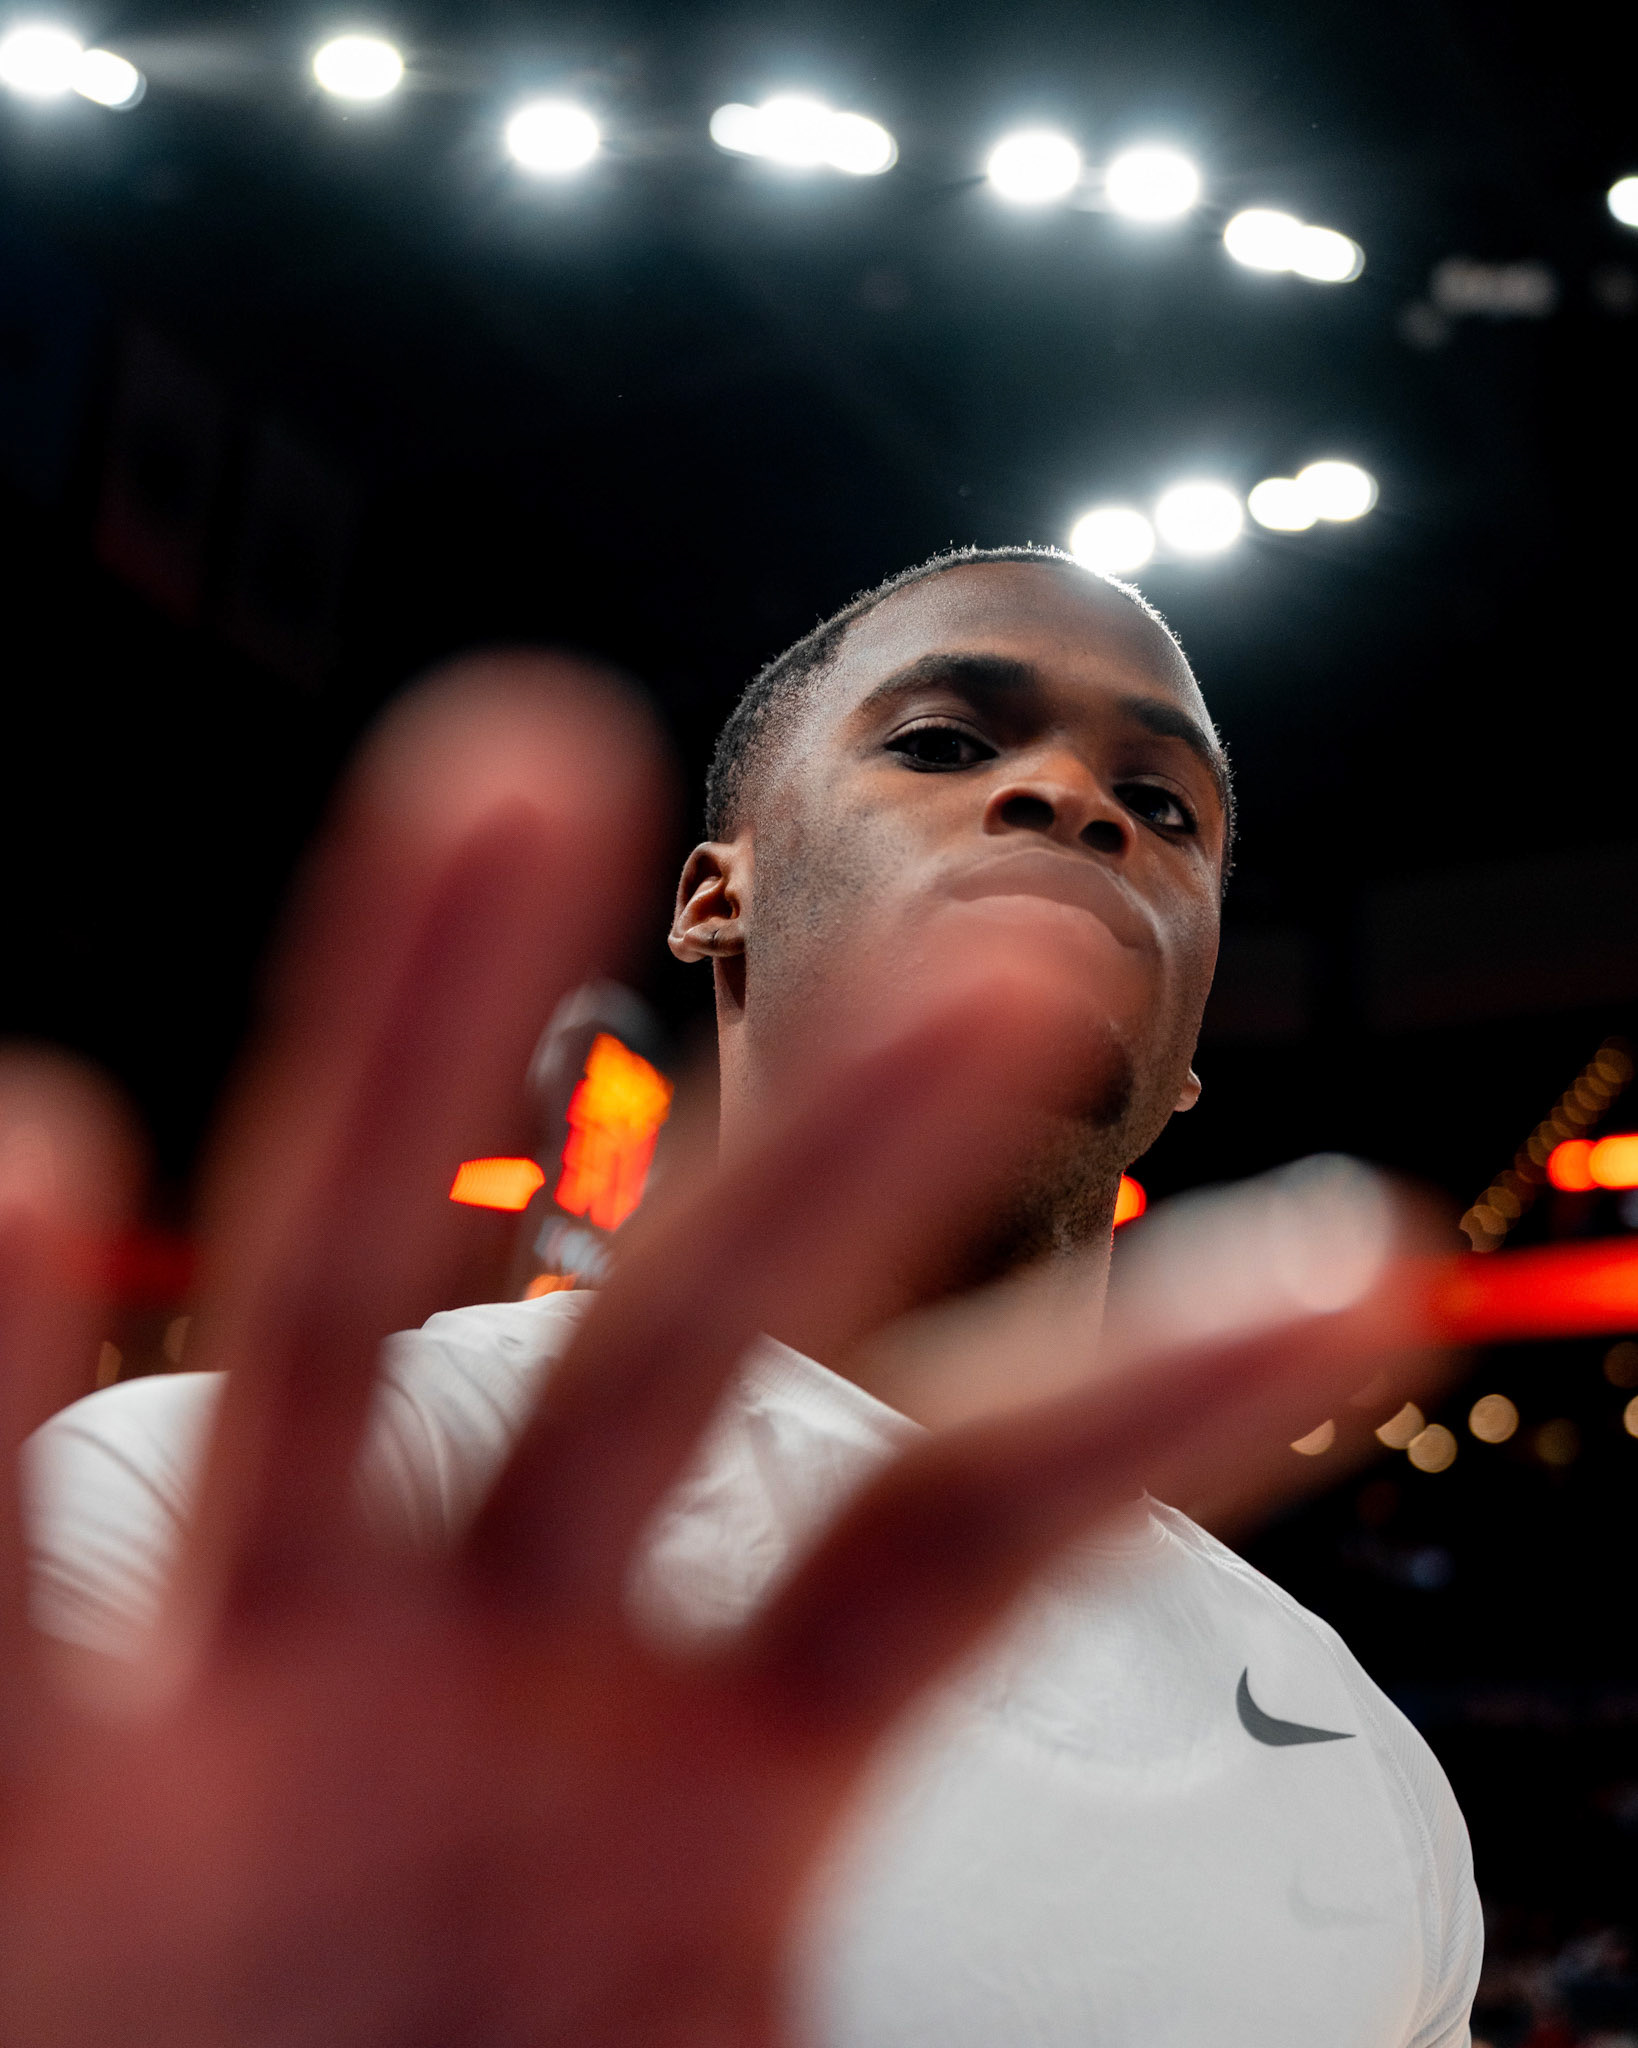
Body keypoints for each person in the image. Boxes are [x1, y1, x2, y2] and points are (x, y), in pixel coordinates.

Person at [3, 551, 1476, 2047]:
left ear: (1193, 1041)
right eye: (945, 743)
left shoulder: (1373, 1780)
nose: (1073, 799)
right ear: (718, 896)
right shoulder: (197, 1523)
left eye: (1163, 808)